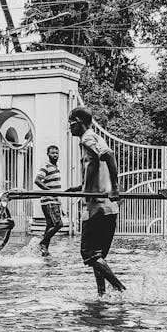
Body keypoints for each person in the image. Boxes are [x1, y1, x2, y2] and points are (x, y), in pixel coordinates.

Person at [65, 107, 124, 295]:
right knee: (98, 257)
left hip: (97, 209)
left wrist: (115, 186)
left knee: (89, 254)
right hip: (108, 209)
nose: (69, 127)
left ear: (79, 121)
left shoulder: (87, 139)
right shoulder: (96, 137)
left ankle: (120, 289)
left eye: (70, 123)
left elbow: (108, 155)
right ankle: (101, 294)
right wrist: (79, 187)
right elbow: (98, 169)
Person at [33, 145, 64, 257]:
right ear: (48, 154)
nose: (55, 155)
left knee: (49, 225)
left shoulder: (56, 168)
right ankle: (42, 243)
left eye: (56, 153)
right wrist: (49, 191)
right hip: (48, 201)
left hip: (54, 201)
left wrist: (60, 202)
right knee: (58, 224)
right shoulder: (46, 166)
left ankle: (44, 250)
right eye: (52, 153)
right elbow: (37, 180)